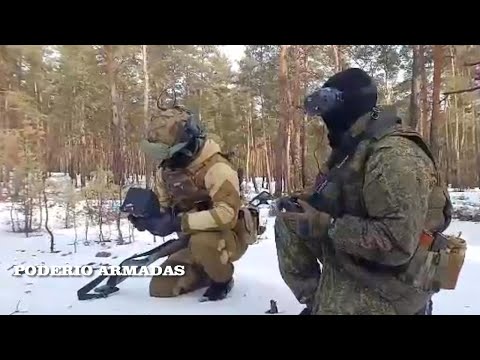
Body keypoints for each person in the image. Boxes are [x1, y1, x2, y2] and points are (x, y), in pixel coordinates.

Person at [274, 68, 464, 315]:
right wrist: (311, 202)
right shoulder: (354, 146)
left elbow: (397, 245)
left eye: (327, 108)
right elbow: (347, 194)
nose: (325, 120)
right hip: (365, 257)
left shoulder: (394, 156)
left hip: (398, 279)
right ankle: (320, 301)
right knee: (289, 224)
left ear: (347, 107)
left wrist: (327, 225)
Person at [129, 103, 255, 302]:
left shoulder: (217, 168)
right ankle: (204, 270)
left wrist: (179, 223)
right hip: (189, 239)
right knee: (161, 288)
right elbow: (166, 212)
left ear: (186, 146)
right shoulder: (166, 172)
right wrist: (151, 221)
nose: (165, 161)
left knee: (203, 242)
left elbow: (227, 216)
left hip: (227, 237)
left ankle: (222, 278)